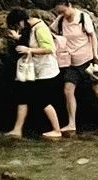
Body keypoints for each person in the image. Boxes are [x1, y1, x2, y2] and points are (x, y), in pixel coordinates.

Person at [53, 0, 98, 135]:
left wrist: (95, 55)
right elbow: (52, 31)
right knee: (68, 90)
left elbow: (93, 36)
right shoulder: (61, 20)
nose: (62, 14)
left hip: (87, 60)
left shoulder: (82, 17)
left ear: (69, 5)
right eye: (59, 12)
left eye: (63, 11)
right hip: (71, 62)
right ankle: (71, 123)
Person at [4, 10, 64, 139]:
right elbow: (29, 40)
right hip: (34, 70)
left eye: (17, 25)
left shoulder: (40, 28)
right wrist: (17, 38)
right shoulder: (30, 27)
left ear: (21, 21)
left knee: (43, 100)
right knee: (22, 97)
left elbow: (49, 48)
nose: (18, 28)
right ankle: (17, 129)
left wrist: (28, 50)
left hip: (46, 71)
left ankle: (57, 130)